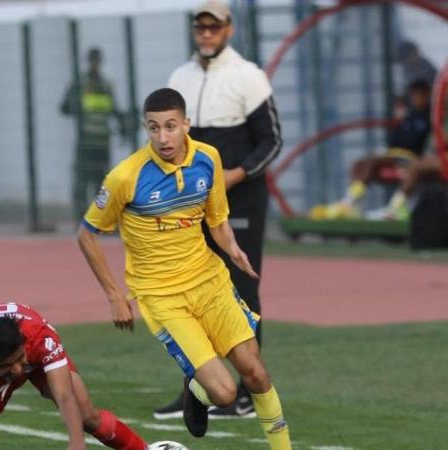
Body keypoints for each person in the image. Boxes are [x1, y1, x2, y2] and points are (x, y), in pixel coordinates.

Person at [77, 88, 290, 449]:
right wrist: (115, 295)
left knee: (255, 374)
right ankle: (198, 390)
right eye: (154, 128)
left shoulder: (208, 159)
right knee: (223, 394)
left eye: (171, 126)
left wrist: (234, 251)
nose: (163, 137)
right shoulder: (125, 178)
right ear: (146, 129)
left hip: (211, 281)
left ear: (186, 124)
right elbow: (87, 236)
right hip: (163, 298)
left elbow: (217, 221)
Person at [156, 0, 282, 420]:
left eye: (214, 27)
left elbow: (272, 141)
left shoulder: (249, 77)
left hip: (240, 201)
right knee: (186, 293)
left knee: (241, 291)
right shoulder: (181, 77)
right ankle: (196, 390)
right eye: (200, 28)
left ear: (229, 29)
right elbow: (170, 140)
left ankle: (247, 392)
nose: (206, 34)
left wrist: (234, 175)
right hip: (190, 207)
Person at [0, 302, 148, 450]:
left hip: (37, 362)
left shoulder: (40, 337)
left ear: (23, 343)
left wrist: (76, 441)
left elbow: (64, 395)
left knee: (86, 415)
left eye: (18, 358)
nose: (16, 370)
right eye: (7, 365)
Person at [310, 80, 432, 220]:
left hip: (409, 157)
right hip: (394, 154)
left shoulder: (429, 117)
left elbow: (414, 142)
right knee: (359, 163)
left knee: (372, 162)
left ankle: (393, 208)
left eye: (418, 95)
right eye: (413, 96)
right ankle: (351, 204)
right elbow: (393, 140)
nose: (415, 99)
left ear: (427, 95)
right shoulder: (408, 117)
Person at [61, 47, 126, 223]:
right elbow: (64, 107)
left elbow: (115, 111)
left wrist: (123, 126)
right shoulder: (81, 85)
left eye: (96, 60)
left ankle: (100, 220)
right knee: (83, 183)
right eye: (93, 60)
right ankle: (82, 220)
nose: (94, 64)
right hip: (87, 141)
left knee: (101, 184)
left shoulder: (105, 86)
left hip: (101, 142)